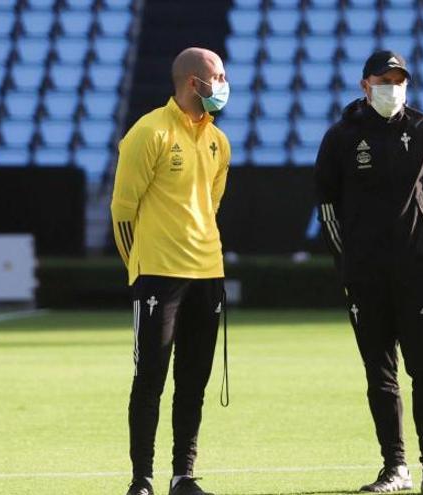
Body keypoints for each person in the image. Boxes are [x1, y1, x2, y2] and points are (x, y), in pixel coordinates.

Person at [314, 50, 423, 495]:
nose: (393, 86)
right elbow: (327, 209)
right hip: (365, 278)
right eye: (385, 79)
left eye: (400, 79)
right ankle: (394, 467)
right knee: (380, 374)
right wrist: (347, 266)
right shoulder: (341, 137)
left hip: (419, 274)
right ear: (366, 84)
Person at [110, 47, 231, 495]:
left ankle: (183, 474)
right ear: (193, 82)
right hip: (159, 277)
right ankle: (142, 479)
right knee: (150, 379)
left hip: (208, 274)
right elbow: (123, 210)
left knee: (193, 381)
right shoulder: (148, 132)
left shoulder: (220, 141)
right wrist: (139, 270)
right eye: (217, 75)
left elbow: (211, 206)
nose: (223, 83)